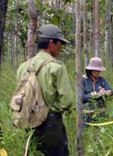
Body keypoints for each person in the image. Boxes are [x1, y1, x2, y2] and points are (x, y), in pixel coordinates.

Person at [16, 24, 73, 156]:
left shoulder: (23, 67)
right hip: (51, 124)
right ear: (51, 42)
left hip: (29, 122)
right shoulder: (57, 67)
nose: (60, 47)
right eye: (59, 43)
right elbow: (67, 101)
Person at [81, 57, 113, 128]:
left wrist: (108, 93)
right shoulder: (83, 80)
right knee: (87, 133)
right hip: (87, 115)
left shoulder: (102, 80)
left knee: (101, 134)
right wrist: (96, 95)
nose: (98, 72)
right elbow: (82, 97)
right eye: (96, 70)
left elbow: (109, 90)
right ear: (91, 70)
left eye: (99, 70)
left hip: (100, 114)